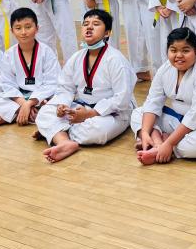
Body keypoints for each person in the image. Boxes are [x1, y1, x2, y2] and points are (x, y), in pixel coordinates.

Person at [37, 9, 136, 163]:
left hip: (112, 112)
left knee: (98, 131)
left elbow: (122, 99)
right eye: (85, 24)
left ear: (107, 33)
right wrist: (63, 105)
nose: (89, 27)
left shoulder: (116, 60)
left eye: (96, 24)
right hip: (81, 107)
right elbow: (65, 88)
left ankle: (56, 134)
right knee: (44, 113)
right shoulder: (77, 57)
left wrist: (90, 114)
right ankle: (65, 142)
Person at [132, 28, 196, 165]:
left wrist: (170, 143)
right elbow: (153, 102)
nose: (179, 55)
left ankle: (161, 146)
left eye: (185, 50)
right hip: (179, 119)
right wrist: (144, 132)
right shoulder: (165, 69)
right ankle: (157, 142)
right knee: (138, 113)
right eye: (173, 50)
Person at [0, 7, 61, 127]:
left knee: (60, 103)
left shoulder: (47, 52)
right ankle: (22, 112)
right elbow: (7, 84)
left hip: (41, 98)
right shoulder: (9, 54)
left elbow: (52, 83)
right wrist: (23, 103)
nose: (23, 32)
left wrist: (31, 102)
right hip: (19, 98)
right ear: (12, 31)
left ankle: (13, 114)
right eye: (18, 28)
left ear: (37, 28)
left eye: (28, 27)